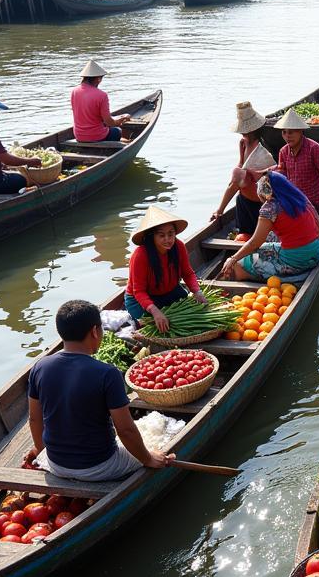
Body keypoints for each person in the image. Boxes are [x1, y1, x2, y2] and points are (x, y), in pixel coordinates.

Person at [23, 299, 173, 482]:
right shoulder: (108, 373)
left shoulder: (40, 367)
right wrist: (148, 458)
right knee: (158, 446)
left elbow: (34, 418)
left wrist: (40, 451)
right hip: (99, 466)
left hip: (55, 464)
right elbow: (125, 430)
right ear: (95, 331)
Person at [219, 172, 319, 282]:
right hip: (317, 252)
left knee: (241, 264)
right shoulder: (300, 198)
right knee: (268, 240)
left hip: (296, 261)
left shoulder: (269, 208)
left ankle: (255, 276)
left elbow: (255, 242)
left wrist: (233, 259)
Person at [124, 205, 206, 329]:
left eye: (170, 234)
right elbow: (139, 291)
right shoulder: (140, 255)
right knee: (150, 326)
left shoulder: (178, 246)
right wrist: (155, 311)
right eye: (161, 235)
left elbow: (188, 273)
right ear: (152, 236)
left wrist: (197, 291)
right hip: (139, 299)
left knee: (191, 315)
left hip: (170, 292)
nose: (167, 240)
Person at [210, 101, 272, 236]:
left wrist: (220, 210)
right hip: (244, 201)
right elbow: (240, 167)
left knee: (258, 237)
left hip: (263, 203)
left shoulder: (263, 148)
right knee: (245, 235)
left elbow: (235, 184)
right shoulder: (243, 143)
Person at [270, 108, 319, 216]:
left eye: (291, 132)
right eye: (284, 132)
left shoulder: (313, 148)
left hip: (314, 203)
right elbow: (282, 178)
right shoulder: (283, 151)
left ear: (301, 131)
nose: (287, 136)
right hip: (294, 201)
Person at [71, 60, 130, 144]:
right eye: (101, 78)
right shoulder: (102, 95)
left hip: (78, 135)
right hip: (97, 136)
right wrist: (118, 122)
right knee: (117, 131)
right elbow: (108, 122)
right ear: (98, 79)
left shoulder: (74, 91)